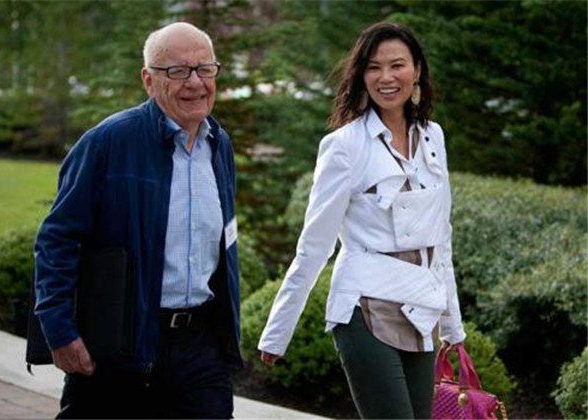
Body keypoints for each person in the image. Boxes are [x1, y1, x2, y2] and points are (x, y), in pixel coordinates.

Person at [258, 21, 466, 419]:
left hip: (422, 308)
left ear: (417, 71)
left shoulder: (433, 137)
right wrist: (278, 333)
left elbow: (441, 240)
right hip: (364, 306)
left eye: (397, 65)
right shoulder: (343, 146)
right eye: (374, 67)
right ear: (361, 76)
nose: (386, 77)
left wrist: (452, 326)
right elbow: (314, 245)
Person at [33, 22, 241, 419]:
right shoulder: (108, 142)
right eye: (177, 71)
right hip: (119, 345)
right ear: (148, 80)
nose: (195, 82)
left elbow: (224, 243)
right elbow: (57, 239)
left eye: (205, 69)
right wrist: (58, 330)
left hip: (199, 346)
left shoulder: (219, 145)